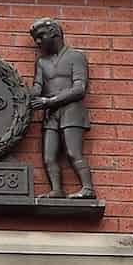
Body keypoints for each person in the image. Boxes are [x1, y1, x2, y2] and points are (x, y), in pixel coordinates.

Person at [29, 18, 96, 199]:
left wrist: (49, 102)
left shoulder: (75, 57)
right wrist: (25, 94)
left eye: (41, 36)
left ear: (54, 32)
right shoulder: (42, 62)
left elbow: (79, 88)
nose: (38, 42)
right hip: (51, 113)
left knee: (73, 152)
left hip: (71, 110)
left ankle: (88, 188)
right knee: (49, 157)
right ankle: (56, 189)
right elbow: (38, 86)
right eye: (36, 38)